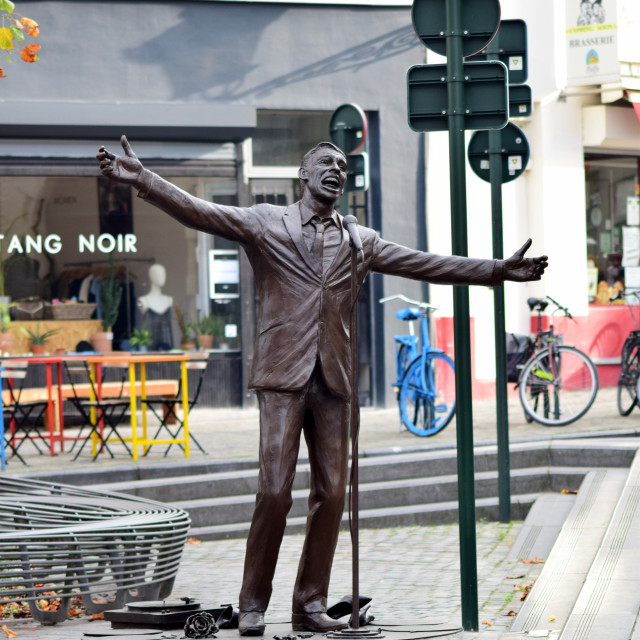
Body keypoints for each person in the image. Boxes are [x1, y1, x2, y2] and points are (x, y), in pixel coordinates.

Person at [97, 136, 548, 636]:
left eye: (344, 165)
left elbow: (423, 262)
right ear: (304, 174)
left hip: (334, 378)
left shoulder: (360, 240)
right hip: (283, 374)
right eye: (327, 163)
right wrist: (144, 180)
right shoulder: (267, 223)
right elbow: (201, 212)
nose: (337, 170)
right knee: (274, 489)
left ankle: (309, 604)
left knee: (333, 493)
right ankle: (252, 601)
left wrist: (496, 271)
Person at [137, 263, 174, 349]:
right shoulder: (142, 301)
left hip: (168, 346)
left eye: (163, 273)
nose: (162, 277)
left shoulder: (169, 300)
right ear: (151, 276)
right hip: (150, 347)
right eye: (158, 274)